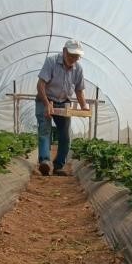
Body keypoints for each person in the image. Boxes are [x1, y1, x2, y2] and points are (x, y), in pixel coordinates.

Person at [35, 40, 88, 176]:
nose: (74, 59)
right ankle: (45, 162)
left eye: (77, 56)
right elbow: (40, 85)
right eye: (71, 55)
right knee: (45, 130)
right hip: (45, 99)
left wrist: (84, 106)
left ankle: (58, 165)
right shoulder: (51, 62)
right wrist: (47, 104)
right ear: (64, 51)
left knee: (65, 136)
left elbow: (79, 90)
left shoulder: (78, 69)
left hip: (64, 102)